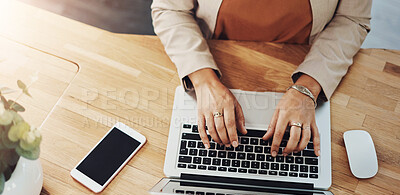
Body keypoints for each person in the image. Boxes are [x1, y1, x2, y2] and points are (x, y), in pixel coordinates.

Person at [151, 0, 372, 157]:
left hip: (308, 62)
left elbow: (351, 19)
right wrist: (203, 80)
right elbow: (169, 9)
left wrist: (307, 87)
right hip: (215, 61)